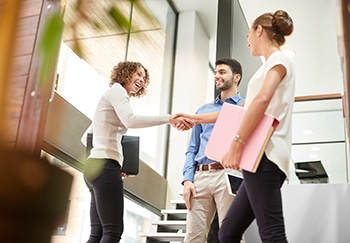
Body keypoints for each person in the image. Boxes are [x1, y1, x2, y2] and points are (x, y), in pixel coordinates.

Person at [178, 9, 295, 243]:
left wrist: (236, 143)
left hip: (265, 157)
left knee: (272, 232)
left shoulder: (280, 59)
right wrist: (194, 118)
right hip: (257, 160)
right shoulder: (267, 66)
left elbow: (261, 101)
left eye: (249, 34)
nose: (248, 40)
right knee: (228, 232)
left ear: (259, 30)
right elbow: (238, 113)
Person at [81, 61, 193, 243]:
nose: (141, 79)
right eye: (137, 74)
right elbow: (130, 120)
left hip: (94, 167)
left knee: (97, 233)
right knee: (113, 231)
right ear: (125, 73)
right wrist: (168, 119)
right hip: (104, 167)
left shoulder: (111, 95)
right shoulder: (118, 91)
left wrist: (110, 164)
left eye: (144, 77)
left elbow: (86, 136)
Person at [182, 58, 244, 243]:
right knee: (193, 237)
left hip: (229, 174)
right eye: (216, 72)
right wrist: (187, 179)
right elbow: (192, 148)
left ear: (237, 77)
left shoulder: (244, 107)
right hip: (200, 176)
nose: (217, 76)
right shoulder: (203, 110)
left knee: (232, 235)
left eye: (222, 72)